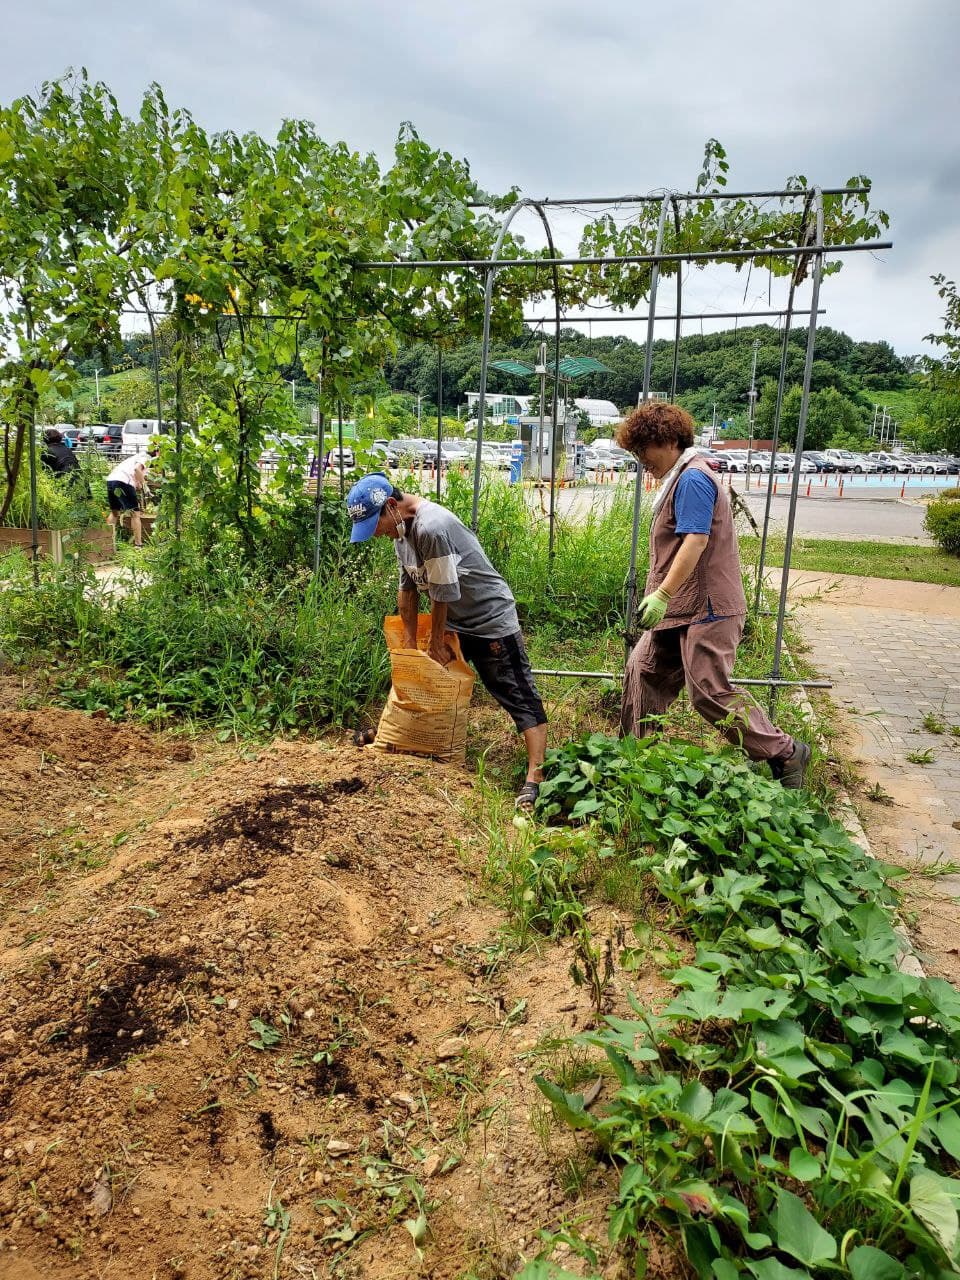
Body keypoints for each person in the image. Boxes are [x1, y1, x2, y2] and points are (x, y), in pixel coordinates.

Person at [616, 402, 810, 788]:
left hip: (707, 606)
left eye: (644, 451)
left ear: (669, 441)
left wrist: (662, 594)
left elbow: (696, 540)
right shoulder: (679, 478)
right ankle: (634, 758)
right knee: (645, 670)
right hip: (681, 605)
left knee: (707, 691)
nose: (642, 461)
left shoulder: (692, 479)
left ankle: (784, 752)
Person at [346, 473, 548, 808]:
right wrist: (411, 646)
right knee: (428, 683)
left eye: (375, 525)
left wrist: (436, 642)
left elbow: (443, 592)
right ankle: (402, 738)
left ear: (391, 507)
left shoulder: (431, 527)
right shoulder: (401, 532)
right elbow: (407, 590)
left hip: (488, 620)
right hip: (455, 620)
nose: (376, 535)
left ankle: (535, 776)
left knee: (516, 693)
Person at [105, 452, 150, 549]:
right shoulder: (146, 457)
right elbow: (136, 469)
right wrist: (144, 485)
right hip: (124, 481)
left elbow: (136, 475)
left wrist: (138, 484)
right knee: (135, 514)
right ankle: (138, 545)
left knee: (115, 512)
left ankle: (105, 541)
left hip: (111, 480)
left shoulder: (135, 457)